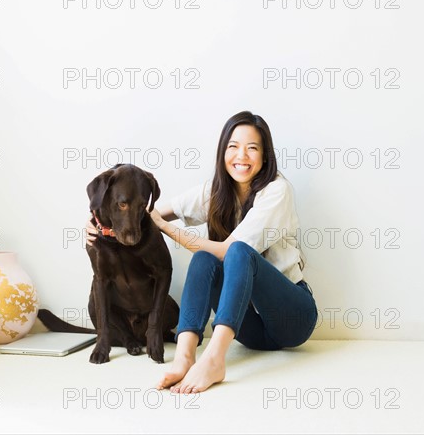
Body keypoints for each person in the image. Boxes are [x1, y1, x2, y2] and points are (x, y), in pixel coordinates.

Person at [87, 110, 318, 393]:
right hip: (251, 330)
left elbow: (228, 250)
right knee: (203, 258)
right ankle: (185, 357)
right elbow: (153, 213)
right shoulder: (217, 191)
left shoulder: (277, 191)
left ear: (266, 156)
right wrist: (100, 223)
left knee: (236, 253)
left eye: (252, 148)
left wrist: (167, 230)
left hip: (293, 320)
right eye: (233, 147)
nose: (241, 156)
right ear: (223, 152)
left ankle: (213, 360)